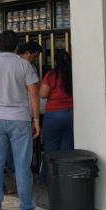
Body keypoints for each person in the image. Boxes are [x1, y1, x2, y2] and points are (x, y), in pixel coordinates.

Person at [0, 31, 44, 210]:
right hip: (20, 120)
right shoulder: (24, 65)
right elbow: (34, 94)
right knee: (22, 166)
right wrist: (37, 121)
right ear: (17, 47)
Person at [39, 50, 74, 184]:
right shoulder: (74, 73)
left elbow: (43, 94)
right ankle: (63, 181)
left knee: (51, 149)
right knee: (66, 149)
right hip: (71, 114)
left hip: (54, 115)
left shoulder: (52, 75)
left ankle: (46, 180)